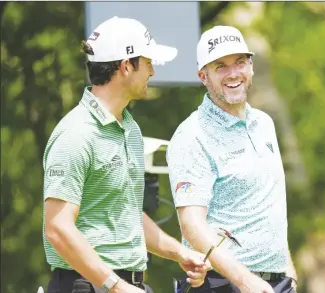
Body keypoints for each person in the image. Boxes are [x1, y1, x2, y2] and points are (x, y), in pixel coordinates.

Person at [43, 16, 209, 293]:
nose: (153, 72)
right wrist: (115, 286)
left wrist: (179, 253)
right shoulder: (75, 134)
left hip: (123, 284)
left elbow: (128, 215)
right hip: (86, 285)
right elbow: (57, 228)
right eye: (148, 63)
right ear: (126, 67)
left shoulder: (130, 130)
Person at [166, 25, 298, 293]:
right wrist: (244, 279)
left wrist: (288, 268)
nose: (233, 73)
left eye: (240, 62)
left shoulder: (263, 123)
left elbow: (268, 203)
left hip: (276, 281)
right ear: (203, 76)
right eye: (220, 66)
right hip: (221, 283)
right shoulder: (192, 135)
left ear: (251, 67)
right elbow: (192, 225)